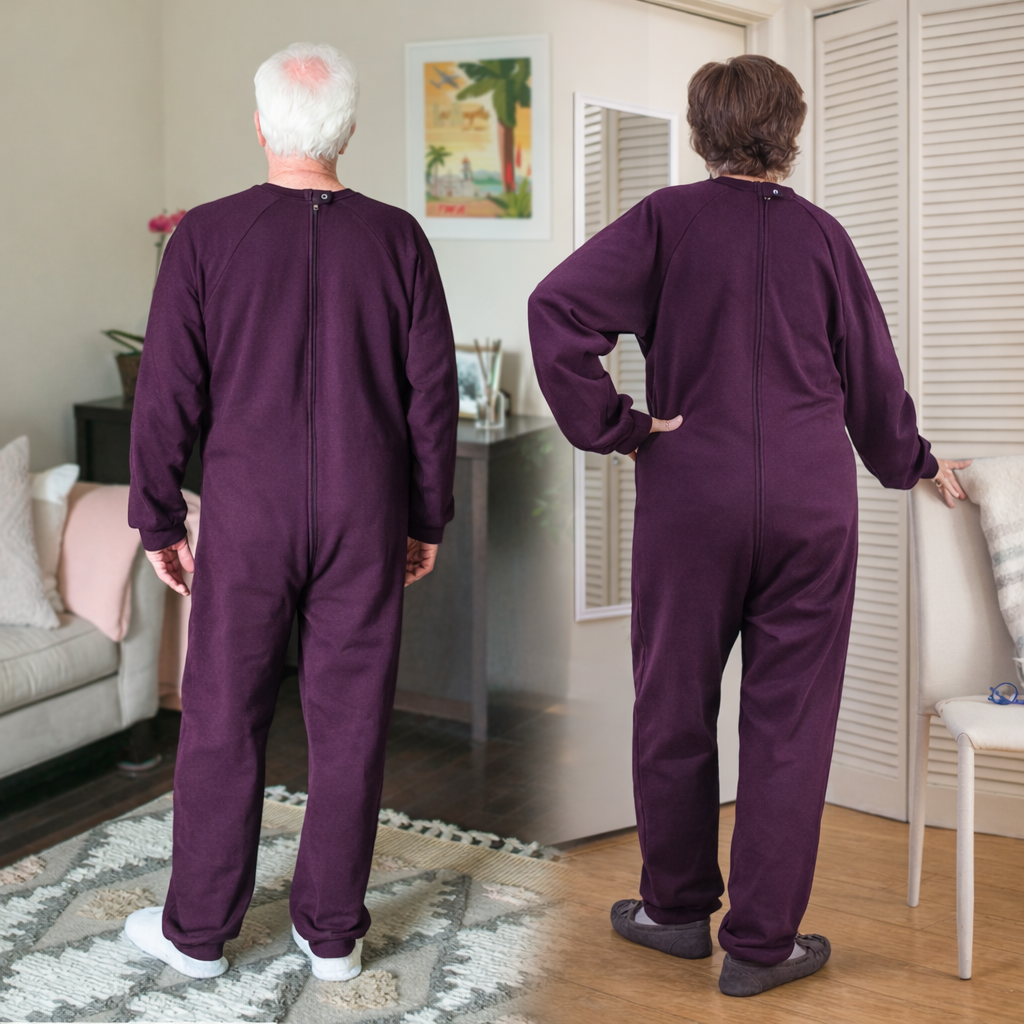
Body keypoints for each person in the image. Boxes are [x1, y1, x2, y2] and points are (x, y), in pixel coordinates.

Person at [528, 55, 969, 997]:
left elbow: (555, 308)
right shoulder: (823, 237)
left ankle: (676, 912)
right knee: (790, 725)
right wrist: (915, 462)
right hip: (813, 507)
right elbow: (875, 381)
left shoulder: (665, 221)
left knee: (673, 702)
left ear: (700, 130)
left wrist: (623, 428)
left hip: (694, 499)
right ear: (790, 130)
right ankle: (762, 947)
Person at [123, 42, 458, 981]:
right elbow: (432, 396)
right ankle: (332, 936)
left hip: (249, 514)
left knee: (223, 717)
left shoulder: (205, 235)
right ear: (348, 129)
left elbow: (166, 394)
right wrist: (426, 517)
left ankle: (196, 937)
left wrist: (159, 517)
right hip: (365, 510)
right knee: (350, 720)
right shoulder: (398, 240)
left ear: (263, 125)